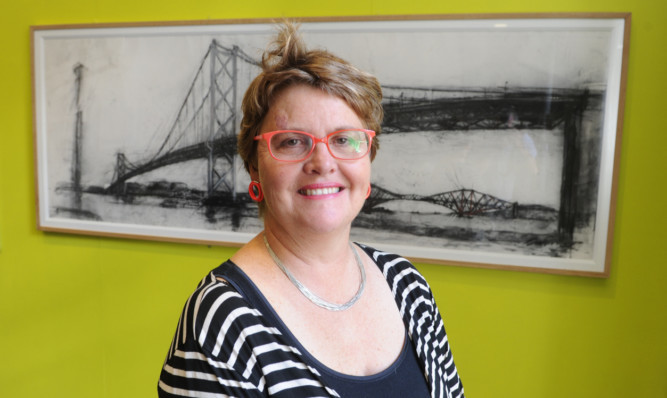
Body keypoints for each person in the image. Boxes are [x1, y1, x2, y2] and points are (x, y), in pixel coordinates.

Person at [158, 21, 464, 398]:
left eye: (344, 140)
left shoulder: (408, 287)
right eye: (291, 141)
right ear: (254, 166)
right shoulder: (222, 321)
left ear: (368, 161)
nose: (322, 162)